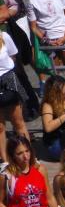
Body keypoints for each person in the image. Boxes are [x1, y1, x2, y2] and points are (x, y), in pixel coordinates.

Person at [0, 29, 30, 161]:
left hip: (8, 80)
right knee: (0, 126)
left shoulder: (4, 36)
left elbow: (13, 56)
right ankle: (5, 161)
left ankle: (29, 157)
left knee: (18, 122)